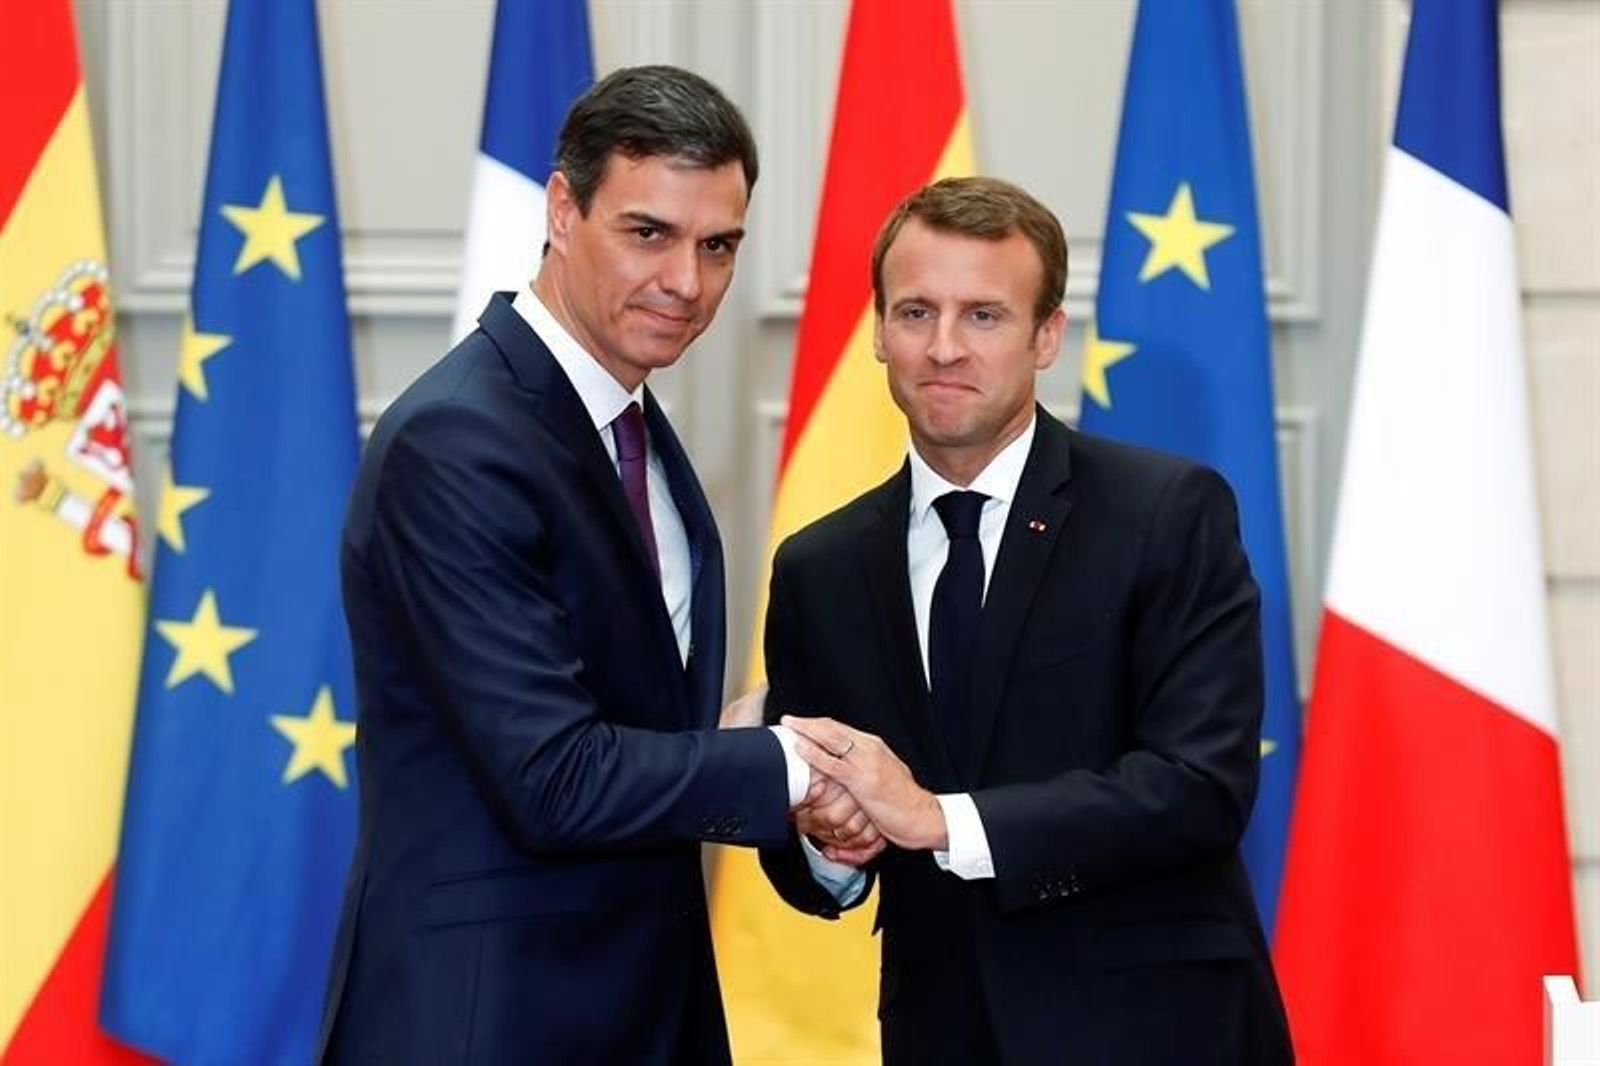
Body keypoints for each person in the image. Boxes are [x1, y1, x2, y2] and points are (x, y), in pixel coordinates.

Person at [317, 66, 826, 1065]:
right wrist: (795, 766)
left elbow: (616, 717)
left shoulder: (623, 421)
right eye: (649, 233)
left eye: (717, 245)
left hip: (637, 1007)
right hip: (489, 1021)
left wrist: (758, 728)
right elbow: (551, 775)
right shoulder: (459, 438)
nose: (687, 281)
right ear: (561, 208)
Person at [759, 177, 1293, 1065]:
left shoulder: (1166, 512)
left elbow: (1199, 788)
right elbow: (807, 840)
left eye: (983, 316)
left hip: (1155, 1034)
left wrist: (942, 819)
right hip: (941, 1033)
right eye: (917, 312)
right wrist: (830, 845)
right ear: (879, 333)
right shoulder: (820, 567)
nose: (943, 348)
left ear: (1046, 335)